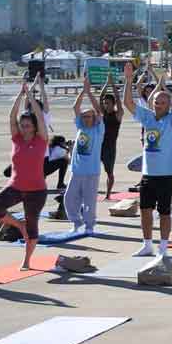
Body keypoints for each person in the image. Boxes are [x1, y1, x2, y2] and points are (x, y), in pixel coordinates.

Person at [0, 80, 49, 270]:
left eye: (28, 125)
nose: (25, 128)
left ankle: (27, 260)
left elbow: (40, 117)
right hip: (15, 187)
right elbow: (11, 117)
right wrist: (20, 96)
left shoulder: (41, 139)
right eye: (23, 125)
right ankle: (17, 224)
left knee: (32, 228)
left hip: (36, 191)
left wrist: (30, 97)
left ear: (34, 127)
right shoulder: (17, 138)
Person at [125, 63, 172, 258]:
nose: (158, 105)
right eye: (156, 102)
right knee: (145, 210)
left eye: (163, 103)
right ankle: (147, 244)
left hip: (167, 174)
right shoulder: (148, 118)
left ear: (169, 105)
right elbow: (128, 104)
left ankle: (163, 247)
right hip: (148, 174)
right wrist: (128, 80)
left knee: (164, 212)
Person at [64, 77, 104, 235]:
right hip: (77, 170)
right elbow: (75, 107)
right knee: (69, 198)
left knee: (89, 201)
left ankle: (89, 226)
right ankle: (76, 222)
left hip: (91, 172)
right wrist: (83, 91)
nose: (86, 118)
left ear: (94, 118)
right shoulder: (81, 127)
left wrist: (90, 93)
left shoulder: (98, 130)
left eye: (89, 116)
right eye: (84, 116)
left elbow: (98, 110)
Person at [99, 74, 124, 199]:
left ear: (113, 104)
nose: (105, 105)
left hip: (110, 147)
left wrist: (113, 85)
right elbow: (100, 98)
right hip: (99, 146)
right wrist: (106, 84)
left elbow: (119, 100)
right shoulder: (103, 113)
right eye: (105, 103)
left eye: (108, 103)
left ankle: (108, 194)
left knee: (109, 173)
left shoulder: (117, 114)